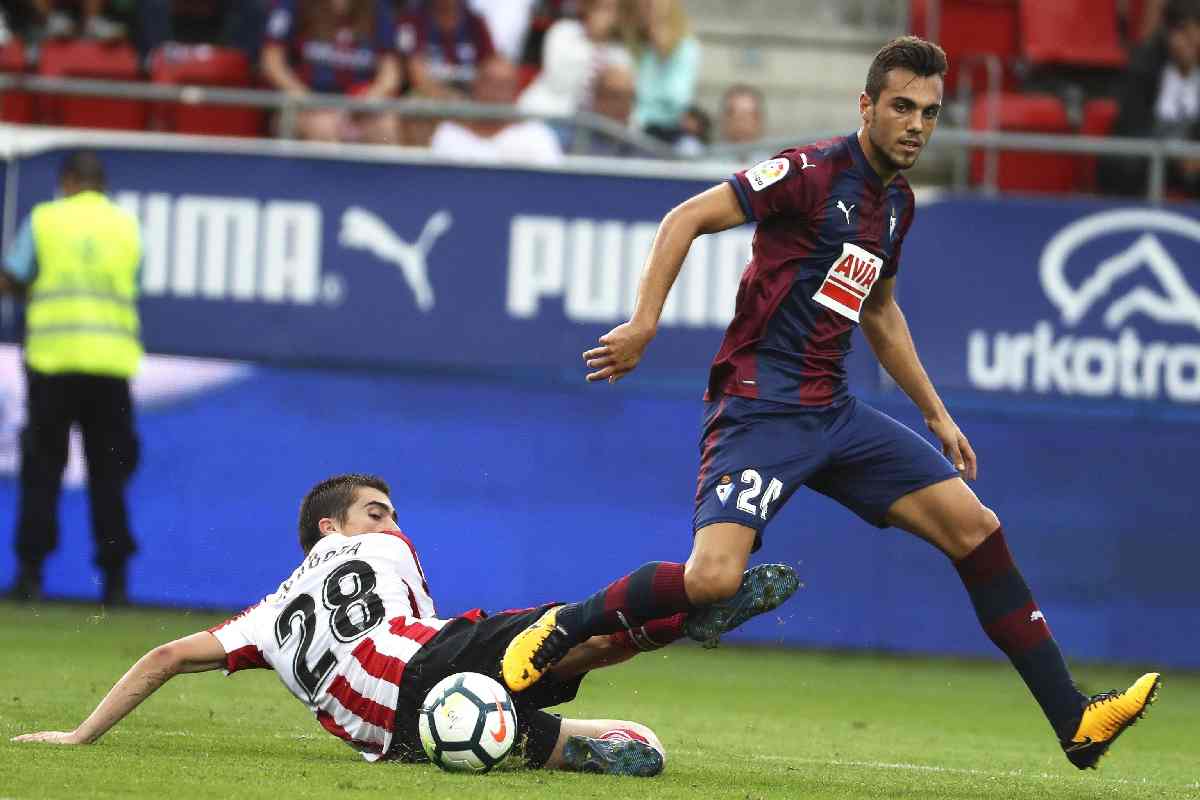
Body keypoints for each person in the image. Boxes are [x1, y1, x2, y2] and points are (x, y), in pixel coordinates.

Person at [502, 36, 1163, 772]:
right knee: (714, 579)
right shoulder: (809, 173)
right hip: (759, 409)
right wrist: (645, 323)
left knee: (976, 528)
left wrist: (936, 414)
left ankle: (1074, 717)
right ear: (867, 106)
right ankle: (564, 627)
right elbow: (684, 217)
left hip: (835, 414)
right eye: (902, 107)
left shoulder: (896, 205)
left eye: (931, 112)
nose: (916, 124)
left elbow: (878, 310)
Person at [11, 473, 799, 776]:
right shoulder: (383, 545)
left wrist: (83, 737)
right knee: (572, 629)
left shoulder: (259, 621)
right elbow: (422, 623)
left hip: (402, 737)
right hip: (429, 662)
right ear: (331, 527)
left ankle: (566, 734)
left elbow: (161, 655)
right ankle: (690, 603)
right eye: (375, 509)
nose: (392, 519)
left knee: (544, 691)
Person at [0, 151, 142, 605]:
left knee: (42, 472)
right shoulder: (126, 226)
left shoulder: (45, 220)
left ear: (66, 181)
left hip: (53, 365)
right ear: (100, 184)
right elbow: (133, 281)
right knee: (110, 477)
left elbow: (13, 277)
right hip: (110, 368)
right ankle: (116, 583)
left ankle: (30, 575)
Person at [260, 0, 402, 145]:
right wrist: (309, 101)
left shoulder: (377, 7)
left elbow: (391, 74)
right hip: (305, 103)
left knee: (386, 126)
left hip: (358, 105)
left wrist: (368, 100)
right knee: (323, 126)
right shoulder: (293, 4)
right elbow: (272, 63)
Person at [1099, 0, 1200, 196]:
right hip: (1146, 156)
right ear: (1168, 34)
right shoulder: (1144, 67)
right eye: (1181, 33)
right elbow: (1130, 126)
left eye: (1194, 33)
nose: (1188, 42)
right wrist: (1174, 155)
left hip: (1193, 161)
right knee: (1123, 164)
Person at [430, 56, 563, 164]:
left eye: (504, 86)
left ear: (516, 91)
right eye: (490, 84)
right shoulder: (449, 134)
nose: (496, 94)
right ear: (476, 85)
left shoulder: (536, 136)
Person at [517, 0, 632, 120]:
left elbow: (618, 92)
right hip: (546, 113)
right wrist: (596, 41)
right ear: (588, 8)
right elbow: (560, 81)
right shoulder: (563, 31)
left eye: (614, 10)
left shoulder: (621, 52)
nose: (608, 16)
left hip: (591, 124)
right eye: (603, 8)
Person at [621, 0, 699, 142]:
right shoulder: (634, 46)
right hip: (626, 129)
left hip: (663, 133)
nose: (644, 9)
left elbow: (677, 100)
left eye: (650, 5)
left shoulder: (686, 48)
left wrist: (663, 55)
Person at [397, 0, 497, 99]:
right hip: (426, 97)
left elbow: (492, 65)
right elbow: (414, 70)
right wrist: (448, 99)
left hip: (471, 95)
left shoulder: (476, 22)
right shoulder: (410, 20)